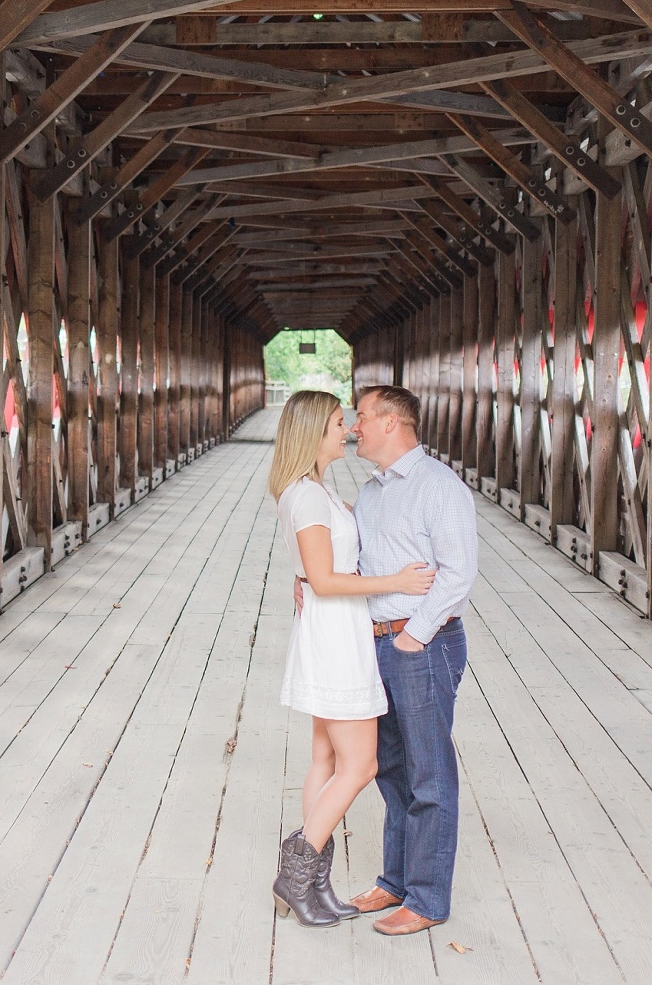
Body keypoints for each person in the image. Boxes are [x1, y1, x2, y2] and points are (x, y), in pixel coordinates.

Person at [268, 390, 435, 929]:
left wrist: (305, 578)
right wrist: (396, 581)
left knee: (325, 759)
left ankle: (316, 885)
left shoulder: (313, 491)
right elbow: (323, 579)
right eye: (340, 423)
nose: (349, 430)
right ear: (315, 431)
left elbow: (312, 572)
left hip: (331, 630)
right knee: (360, 765)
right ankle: (296, 874)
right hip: (338, 637)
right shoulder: (310, 498)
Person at [344, 385, 477, 937]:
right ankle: (395, 881)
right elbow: (361, 564)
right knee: (392, 770)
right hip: (377, 642)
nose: (354, 426)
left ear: (392, 423)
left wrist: (412, 638)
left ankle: (426, 900)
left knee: (429, 773)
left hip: (422, 644)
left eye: (362, 416)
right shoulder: (371, 493)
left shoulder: (438, 486)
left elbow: (458, 572)